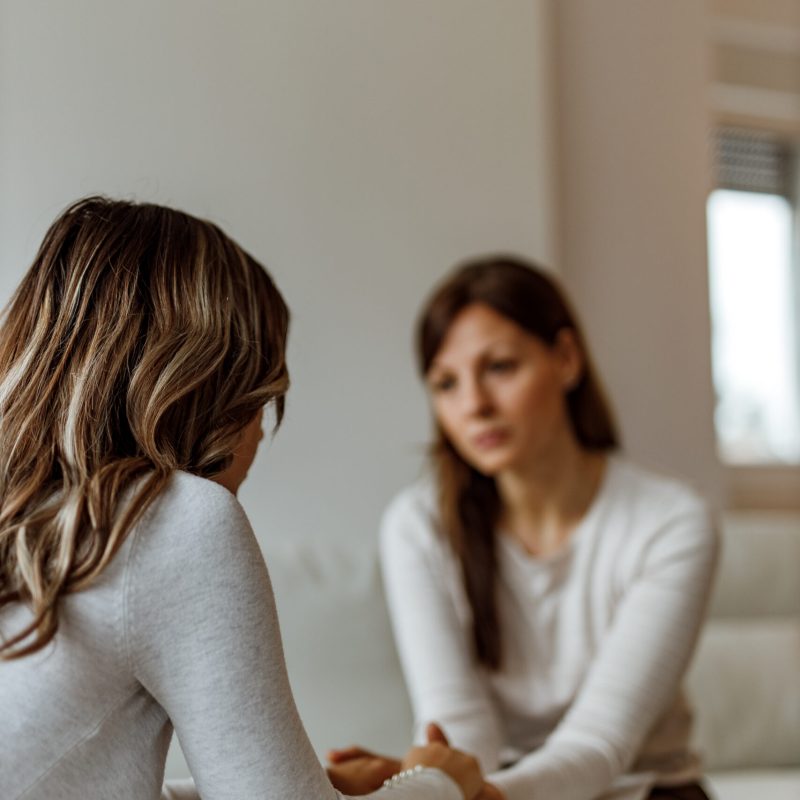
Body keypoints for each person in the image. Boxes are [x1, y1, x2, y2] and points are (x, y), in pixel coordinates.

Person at [0, 197, 487, 800]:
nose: (259, 434)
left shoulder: (33, 513)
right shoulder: (171, 518)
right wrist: (445, 782)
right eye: (262, 400)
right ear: (218, 390)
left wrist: (321, 786)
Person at [329, 257, 719, 800]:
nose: (475, 406)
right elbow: (458, 725)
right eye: (446, 383)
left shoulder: (671, 522)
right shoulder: (418, 527)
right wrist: (436, 783)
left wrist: (461, 791)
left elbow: (602, 744)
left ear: (565, 358)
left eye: (500, 367)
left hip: (646, 789)